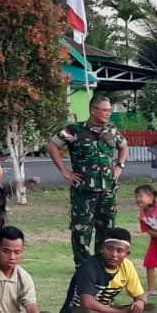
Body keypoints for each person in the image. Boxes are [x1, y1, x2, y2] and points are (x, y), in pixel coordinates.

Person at [46, 95, 128, 267]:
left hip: (108, 191)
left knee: (107, 229)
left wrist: (120, 165)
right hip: (84, 191)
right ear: (93, 110)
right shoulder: (74, 130)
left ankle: (102, 266)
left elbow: (124, 146)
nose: (108, 114)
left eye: (109, 110)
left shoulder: (111, 130)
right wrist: (65, 171)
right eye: (105, 110)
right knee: (81, 231)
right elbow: (52, 145)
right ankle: (82, 267)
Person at [57, 227, 157, 313]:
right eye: (110, 249)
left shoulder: (127, 266)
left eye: (120, 251)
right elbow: (87, 303)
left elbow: (140, 295)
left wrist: (140, 302)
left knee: (152, 309)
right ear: (102, 248)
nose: (114, 255)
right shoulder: (89, 267)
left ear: (127, 253)